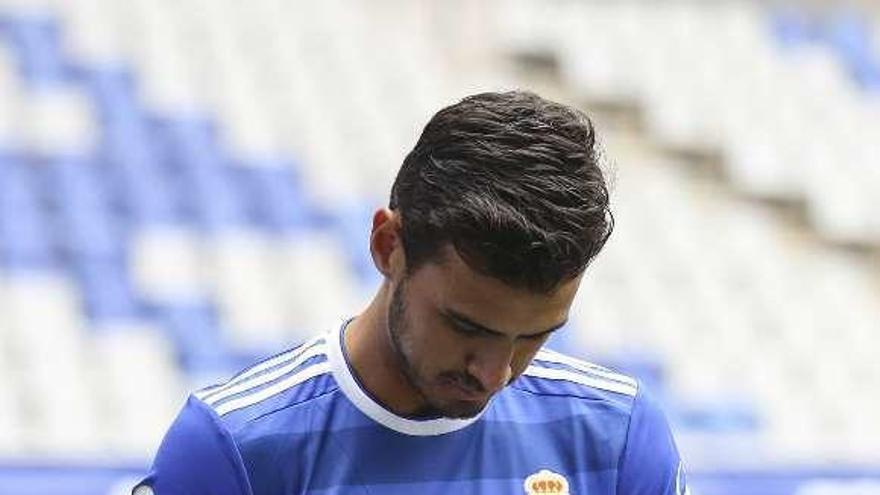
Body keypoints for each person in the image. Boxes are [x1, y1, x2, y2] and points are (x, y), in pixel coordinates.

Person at [133, 91, 687, 495]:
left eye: (534, 337)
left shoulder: (618, 436)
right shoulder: (235, 448)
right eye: (468, 327)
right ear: (387, 244)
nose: (495, 373)